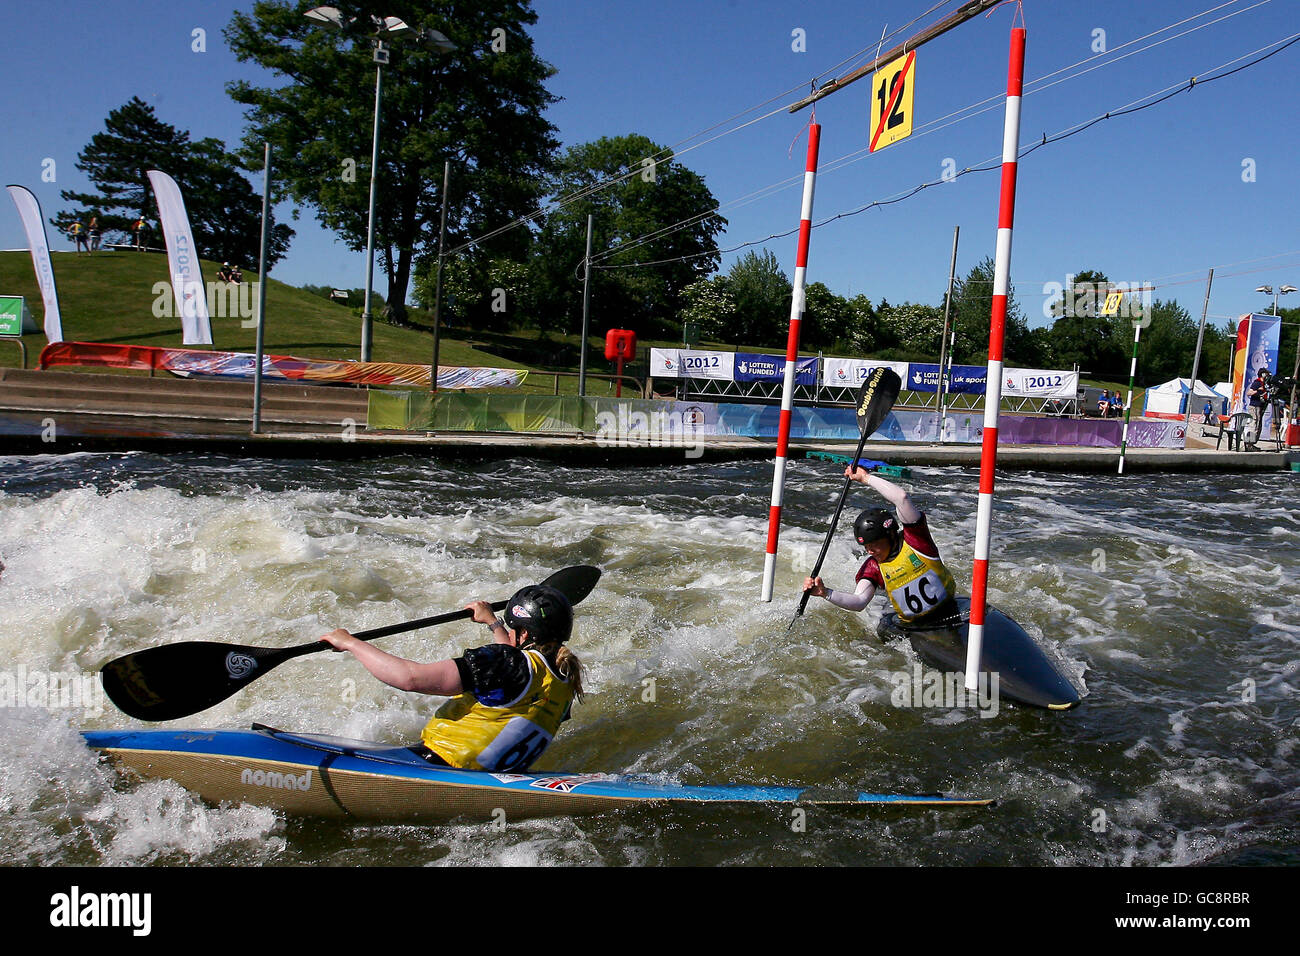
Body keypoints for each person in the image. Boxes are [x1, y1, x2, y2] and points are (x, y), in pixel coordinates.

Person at [318, 583, 585, 772]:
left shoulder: (509, 665)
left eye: (514, 629)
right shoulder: (565, 680)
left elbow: (409, 678)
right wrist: (494, 623)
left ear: (524, 635)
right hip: (490, 778)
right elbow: (513, 667)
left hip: (437, 765)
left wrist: (350, 643)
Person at [802, 468, 960, 626]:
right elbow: (859, 602)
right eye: (866, 546)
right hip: (915, 626)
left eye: (874, 544)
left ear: (890, 535)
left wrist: (865, 478)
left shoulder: (916, 540)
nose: (870, 551)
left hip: (950, 609)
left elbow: (901, 497)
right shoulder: (873, 567)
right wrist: (825, 593)